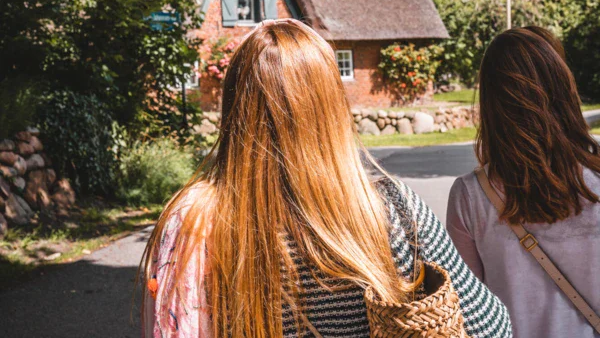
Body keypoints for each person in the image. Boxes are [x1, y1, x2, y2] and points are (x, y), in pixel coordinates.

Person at [142, 19, 512, 338]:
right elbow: (492, 328)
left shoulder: (194, 222)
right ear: (332, 106)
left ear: (234, 107)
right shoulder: (390, 210)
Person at [447, 27, 600, 338]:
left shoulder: (471, 196)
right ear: (564, 89)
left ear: (491, 102)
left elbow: (465, 313)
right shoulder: (596, 174)